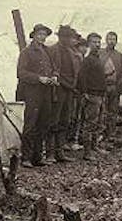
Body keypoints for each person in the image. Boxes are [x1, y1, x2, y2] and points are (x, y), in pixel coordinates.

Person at [16, 23, 58, 168]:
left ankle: (37, 157)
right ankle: (25, 157)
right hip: (33, 92)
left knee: (43, 124)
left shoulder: (48, 51)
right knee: (30, 124)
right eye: (39, 34)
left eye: (44, 35)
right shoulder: (26, 52)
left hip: (47, 92)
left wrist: (54, 76)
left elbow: (54, 69)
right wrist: (38, 78)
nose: (42, 37)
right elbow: (21, 73)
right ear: (33, 35)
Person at [47, 25, 79, 162]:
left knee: (65, 120)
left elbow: (74, 72)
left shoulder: (72, 52)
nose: (69, 40)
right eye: (67, 37)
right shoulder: (52, 50)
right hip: (57, 89)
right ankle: (49, 154)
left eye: (70, 37)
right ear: (61, 37)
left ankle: (60, 152)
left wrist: (73, 86)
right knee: (53, 121)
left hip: (68, 90)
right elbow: (51, 70)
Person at [78, 32, 107, 161]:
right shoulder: (87, 60)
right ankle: (87, 152)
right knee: (90, 124)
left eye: (99, 42)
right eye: (94, 42)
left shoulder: (98, 59)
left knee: (98, 123)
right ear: (89, 44)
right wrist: (85, 93)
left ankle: (95, 147)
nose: (97, 45)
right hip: (92, 95)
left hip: (100, 95)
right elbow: (82, 78)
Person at [100, 31, 122, 146]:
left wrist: (121, 80)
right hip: (102, 87)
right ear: (106, 40)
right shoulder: (100, 53)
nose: (111, 41)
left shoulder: (120, 56)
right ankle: (100, 134)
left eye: (114, 39)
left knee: (113, 112)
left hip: (115, 87)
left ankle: (110, 134)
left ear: (116, 41)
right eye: (109, 39)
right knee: (102, 111)